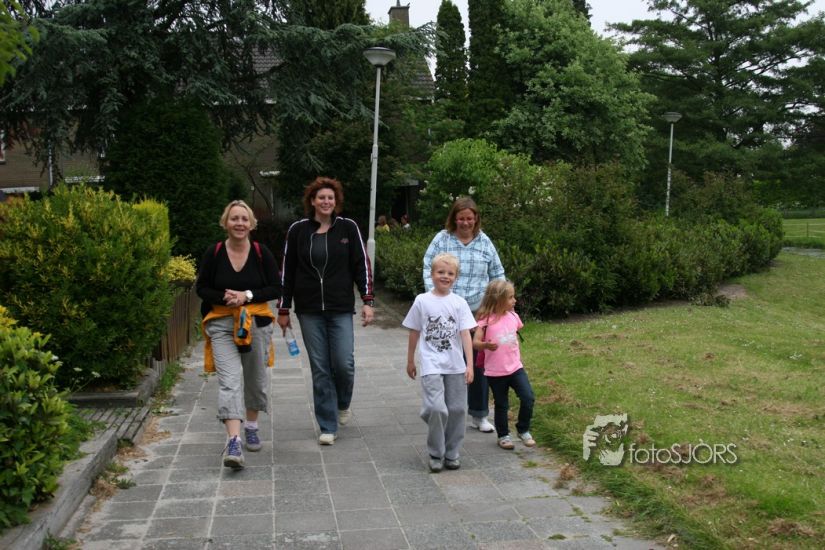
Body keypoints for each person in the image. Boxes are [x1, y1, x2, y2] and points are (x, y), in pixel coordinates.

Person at [277, 177, 374, 445]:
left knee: (344, 364)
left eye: (330, 197)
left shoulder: (348, 228)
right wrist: (283, 308)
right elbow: (287, 270)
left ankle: (342, 403)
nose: (326, 201)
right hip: (308, 310)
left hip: (340, 307)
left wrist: (367, 301)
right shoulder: (298, 230)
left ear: (336, 201)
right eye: (321, 197)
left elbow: (361, 265)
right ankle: (327, 425)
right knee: (320, 367)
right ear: (312, 201)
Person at [196, 200, 279, 470]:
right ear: (225, 223)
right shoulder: (214, 253)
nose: (239, 223)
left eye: (244, 219)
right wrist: (226, 297)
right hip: (221, 323)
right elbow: (201, 288)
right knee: (229, 381)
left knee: (255, 379)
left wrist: (247, 295)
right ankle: (233, 441)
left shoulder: (261, 252)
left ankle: (252, 426)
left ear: (252, 224)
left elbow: (275, 287)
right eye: (234, 219)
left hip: (256, 322)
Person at [422, 197, 505, 434]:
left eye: (470, 218)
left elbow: (497, 272)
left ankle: (479, 414)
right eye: (461, 218)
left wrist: (497, 302)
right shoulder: (442, 239)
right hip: (447, 310)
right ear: (454, 218)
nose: (465, 223)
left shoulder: (484, 241)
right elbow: (428, 266)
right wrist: (435, 296)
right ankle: (445, 406)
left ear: (476, 219)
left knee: (477, 361)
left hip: (478, 310)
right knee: (448, 358)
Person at [404, 253, 476, 473]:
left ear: (456, 277)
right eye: (441, 272)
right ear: (432, 274)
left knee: (457, 409)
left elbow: (465, 335)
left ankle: (452, 452)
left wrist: (470, 365)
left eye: (450, 273)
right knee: (436, 408)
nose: (445, 276)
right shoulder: (422, 301)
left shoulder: (459, 303)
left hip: (455, 365)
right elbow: (414, 331)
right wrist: (410, 360)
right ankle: (436, 452)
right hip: (431, 364)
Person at [473, 280, 535, 450]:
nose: (514, 300)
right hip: (495, 372)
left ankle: (523, 429)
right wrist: (485, 345)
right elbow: (475, 343)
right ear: (498, 299)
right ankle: (503, 436)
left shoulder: (513, 316)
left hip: (515, 368)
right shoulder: (485, 320)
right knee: (501, 404)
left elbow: (514, 334)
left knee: (528, 397)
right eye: (510, 297)